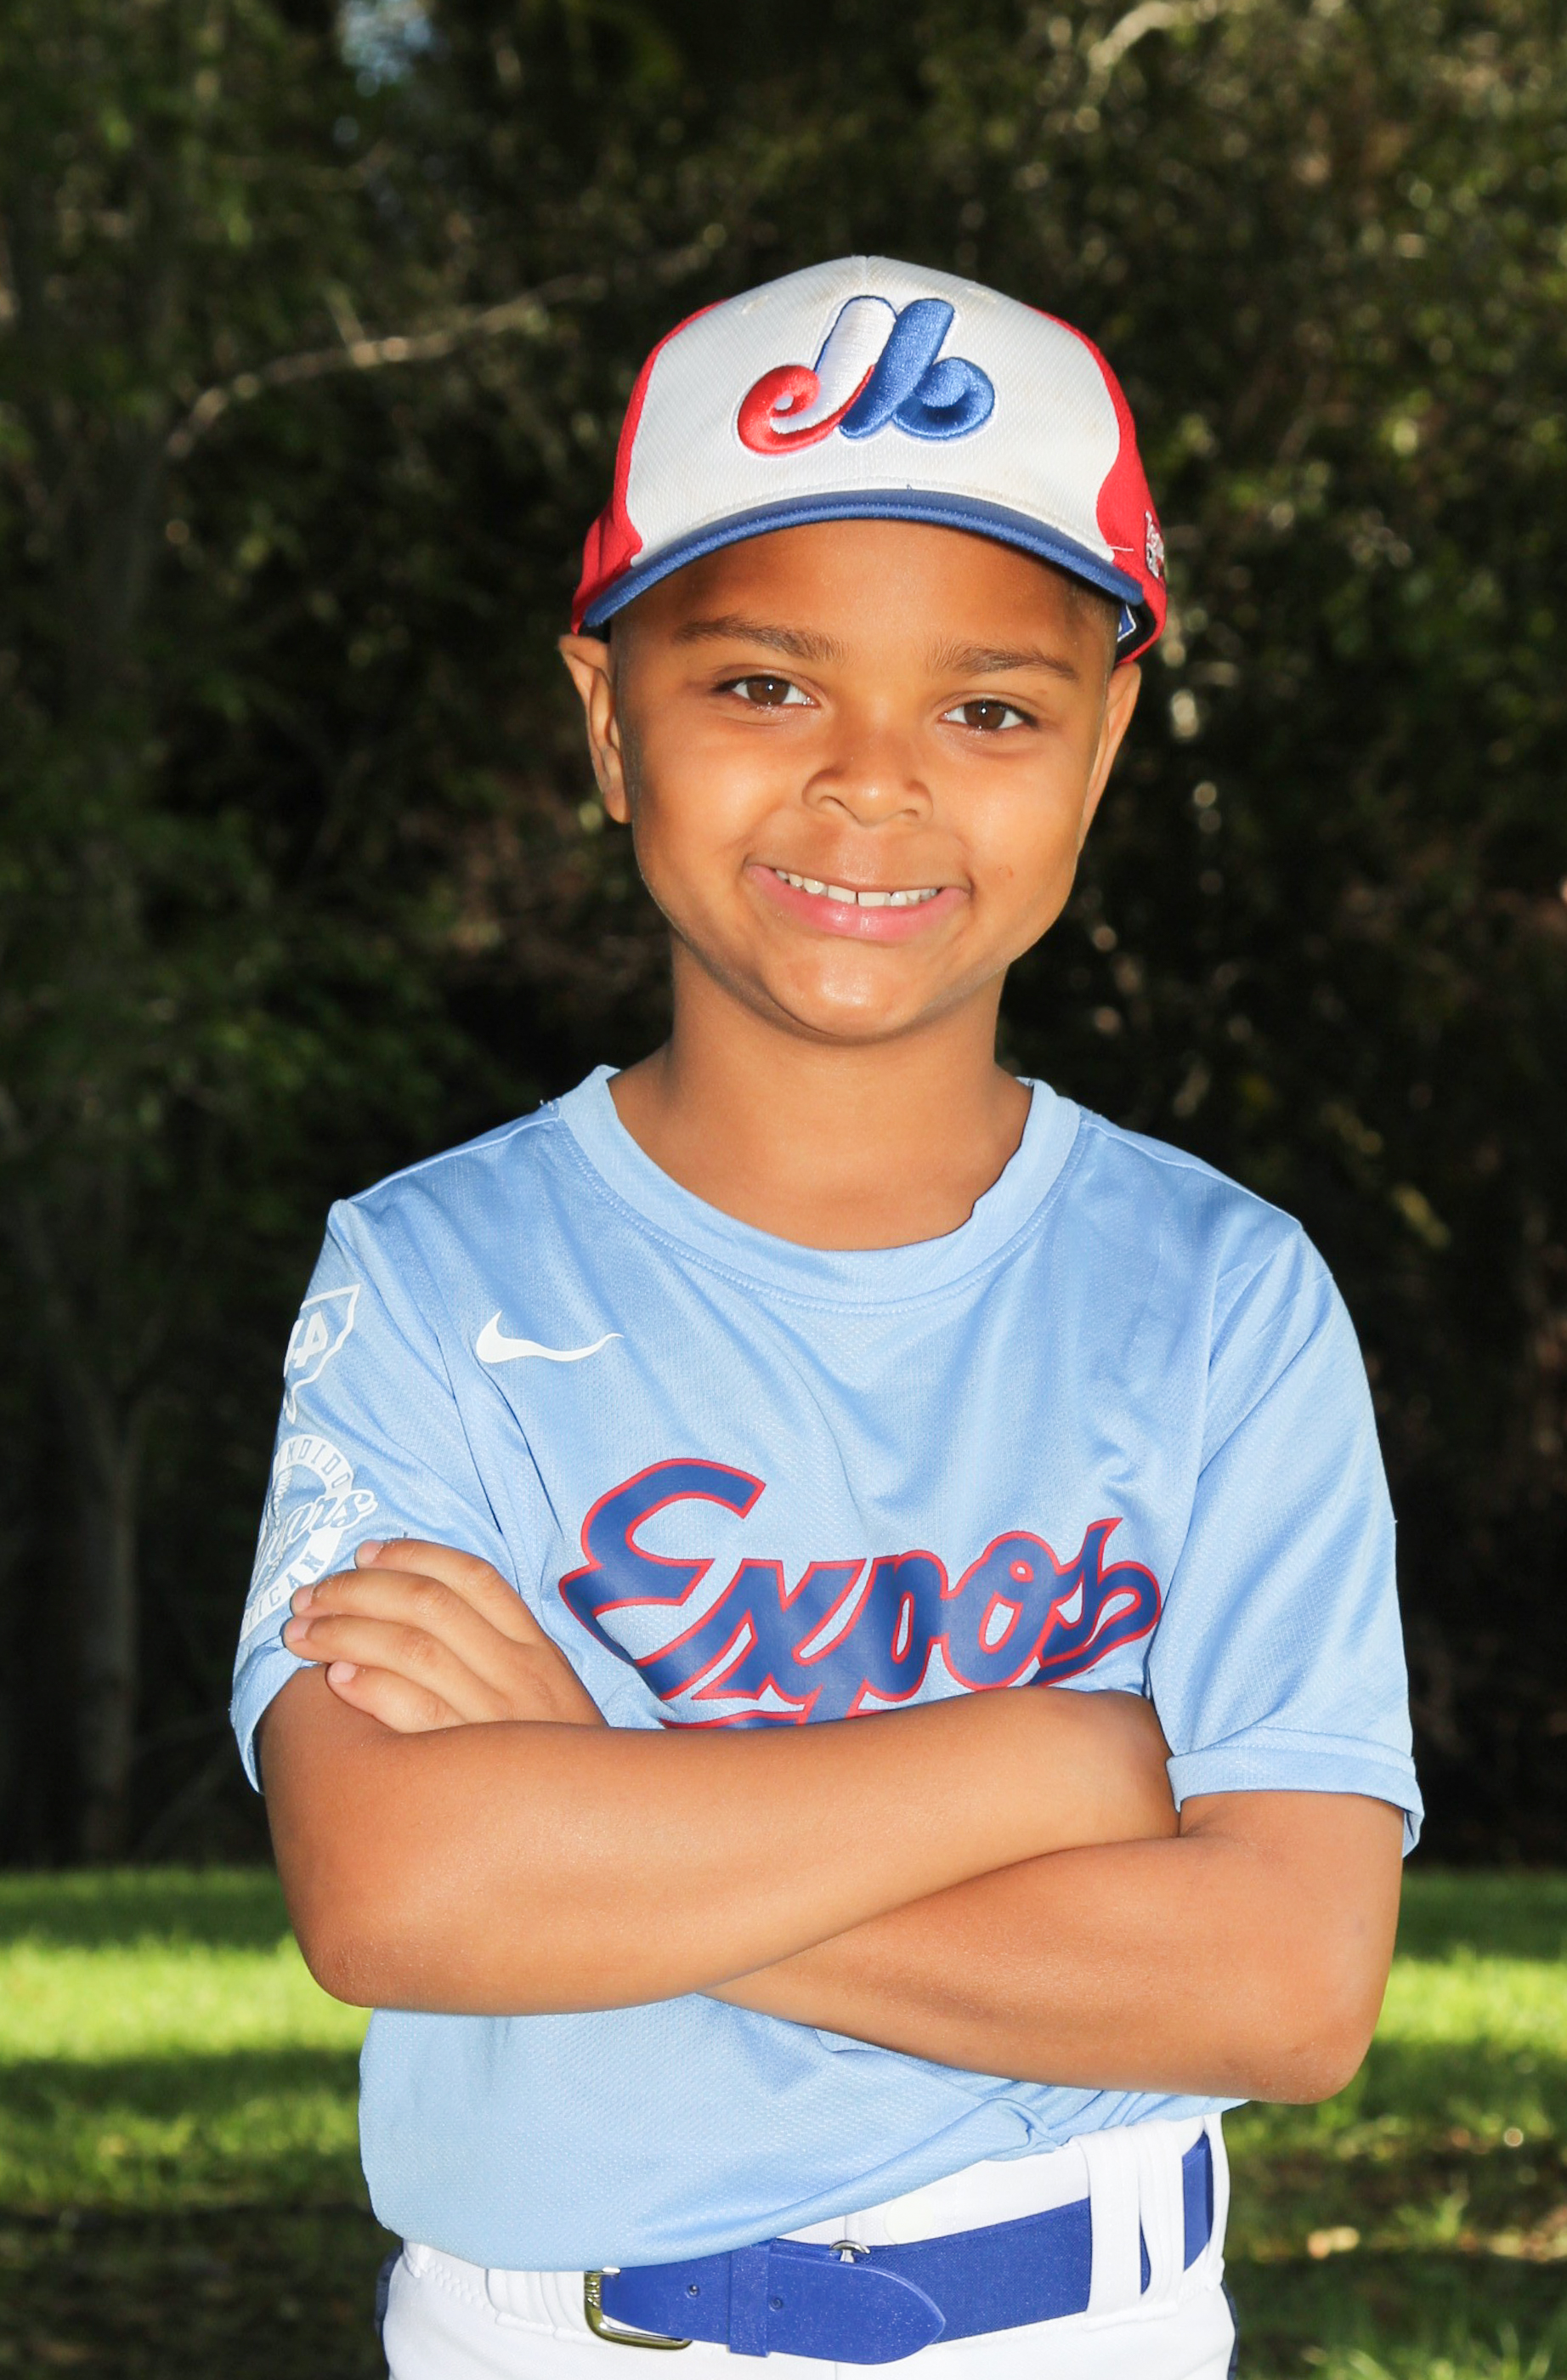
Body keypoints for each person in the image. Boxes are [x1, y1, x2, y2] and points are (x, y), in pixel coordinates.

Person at [234, 255, 1421, 2379]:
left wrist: (608, 1789)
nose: (873, 782)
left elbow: (1283, 1981)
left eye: (989, 708)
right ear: (609, 716)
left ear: (1103, 744)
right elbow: (401, 1891)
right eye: (766, 684)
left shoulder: (1218, 1290)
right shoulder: (432, 1271)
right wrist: (1062, 1758)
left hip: (1086, 2326)